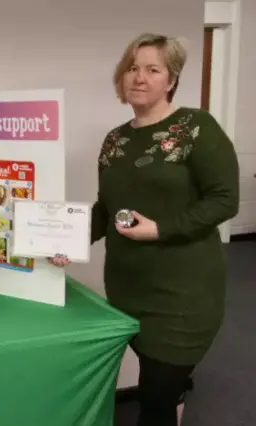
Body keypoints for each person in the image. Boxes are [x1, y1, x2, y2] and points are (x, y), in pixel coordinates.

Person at [50, 33, 240, 426]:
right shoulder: (116, 141)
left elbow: (224, 200)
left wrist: (161, 228)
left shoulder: (196, 128)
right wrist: (68, 239)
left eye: (152, 69)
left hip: (183, 294)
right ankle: (176, 391)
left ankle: (170, 396)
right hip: (128, 288)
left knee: (153, 401)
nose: (139, 77)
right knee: (160, 382)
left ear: (171, 80)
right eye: (132, 68)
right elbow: (108, 210)